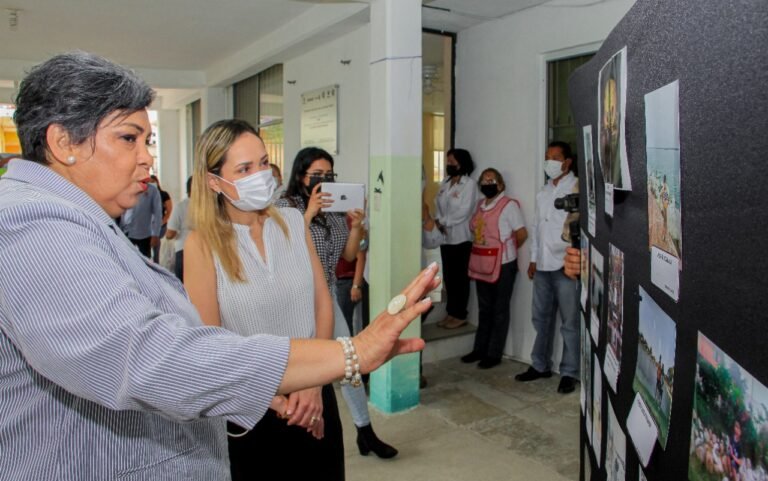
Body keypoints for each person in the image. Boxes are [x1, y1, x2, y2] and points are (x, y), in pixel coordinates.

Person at [0, 51, 437, 480]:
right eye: (129, 138)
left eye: (146, 141)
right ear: (63, 143)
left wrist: (318, 377)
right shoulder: (30, 222)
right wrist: (350, 352)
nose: (146, 158)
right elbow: (155, 356)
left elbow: (318, 300)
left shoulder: (79, 220)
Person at [184, 120, 344, 480]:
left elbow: (322, 302)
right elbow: (210, 343)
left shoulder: (292, 221)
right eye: (244, 169)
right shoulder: (202, 244)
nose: (260, 175)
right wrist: (280, 402)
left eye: (262, 162)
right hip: (254, 406)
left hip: (315, 395)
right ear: (214, 181)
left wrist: (314, 382)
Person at [276, 147, 398, 459]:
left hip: (327, 295)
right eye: (316, 175)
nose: (323, 180)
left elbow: (347, 255)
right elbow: (281, 250)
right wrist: (307, 214)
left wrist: (357, 225)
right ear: (301, 175)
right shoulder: (284, 206)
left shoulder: (334, 213)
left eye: (329, 175)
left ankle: (365, 432)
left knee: (350, 364)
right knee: (302, 371)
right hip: (296, 299)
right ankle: (299, 431)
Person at [515, 141, 580, 394]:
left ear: (567, 163)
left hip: (566, 265)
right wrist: (533, 259)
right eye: (547, 157)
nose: (549, 162)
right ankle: (540, 365)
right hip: (542, 265)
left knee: (570, 322)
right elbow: (536, 228)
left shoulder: (576, 188)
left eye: (555, 158)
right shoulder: (543, 191)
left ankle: (569, 371)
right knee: (540, 319)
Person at [461, 168, 527, 369]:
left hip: (503, 265)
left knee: (500, 309)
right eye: (484, 180)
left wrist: (507, 252)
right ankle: (479, 349)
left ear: (500, 185)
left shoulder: (509, 206)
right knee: (484, 308)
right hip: (482, 263)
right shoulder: (481, 205)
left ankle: (494, 353)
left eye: (492, 180)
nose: (487, 183)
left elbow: (521, 233)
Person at [434, 148, 479, 329]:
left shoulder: (470, 184)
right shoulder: (445, 183)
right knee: (449, 278)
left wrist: (444, 222)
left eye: (453, 162)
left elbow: (465, 211)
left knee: (460, 278)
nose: (449, 165)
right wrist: (438, 221)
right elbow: (438, 205)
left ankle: (460, 314)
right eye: (448, 162)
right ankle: (451, 312)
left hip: (462, 238)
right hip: (445, 238)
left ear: (463, 163)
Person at [119, 179, 163, 257]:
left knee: (145, 260)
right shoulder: (125, 187)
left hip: (144, 234)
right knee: (126, 258)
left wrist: (156, 234)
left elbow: (158, 214)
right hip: (126, 231)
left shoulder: (152, 191)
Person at [165, 175, 192, 281]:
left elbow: (170, 233)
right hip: (206, 251)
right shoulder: (211, 207)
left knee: (183, 286)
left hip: (184, 250)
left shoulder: (181, 206)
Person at [149, 174, 173, 262]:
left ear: (157, 183)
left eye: (153, 182)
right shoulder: (145, 194)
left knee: (156, 245)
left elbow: (169, 209)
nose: (151, 184)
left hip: (160, 225)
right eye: (149, 182)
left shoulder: (163, 194)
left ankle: (156, 262)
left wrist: (163, 221)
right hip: (148, 225)